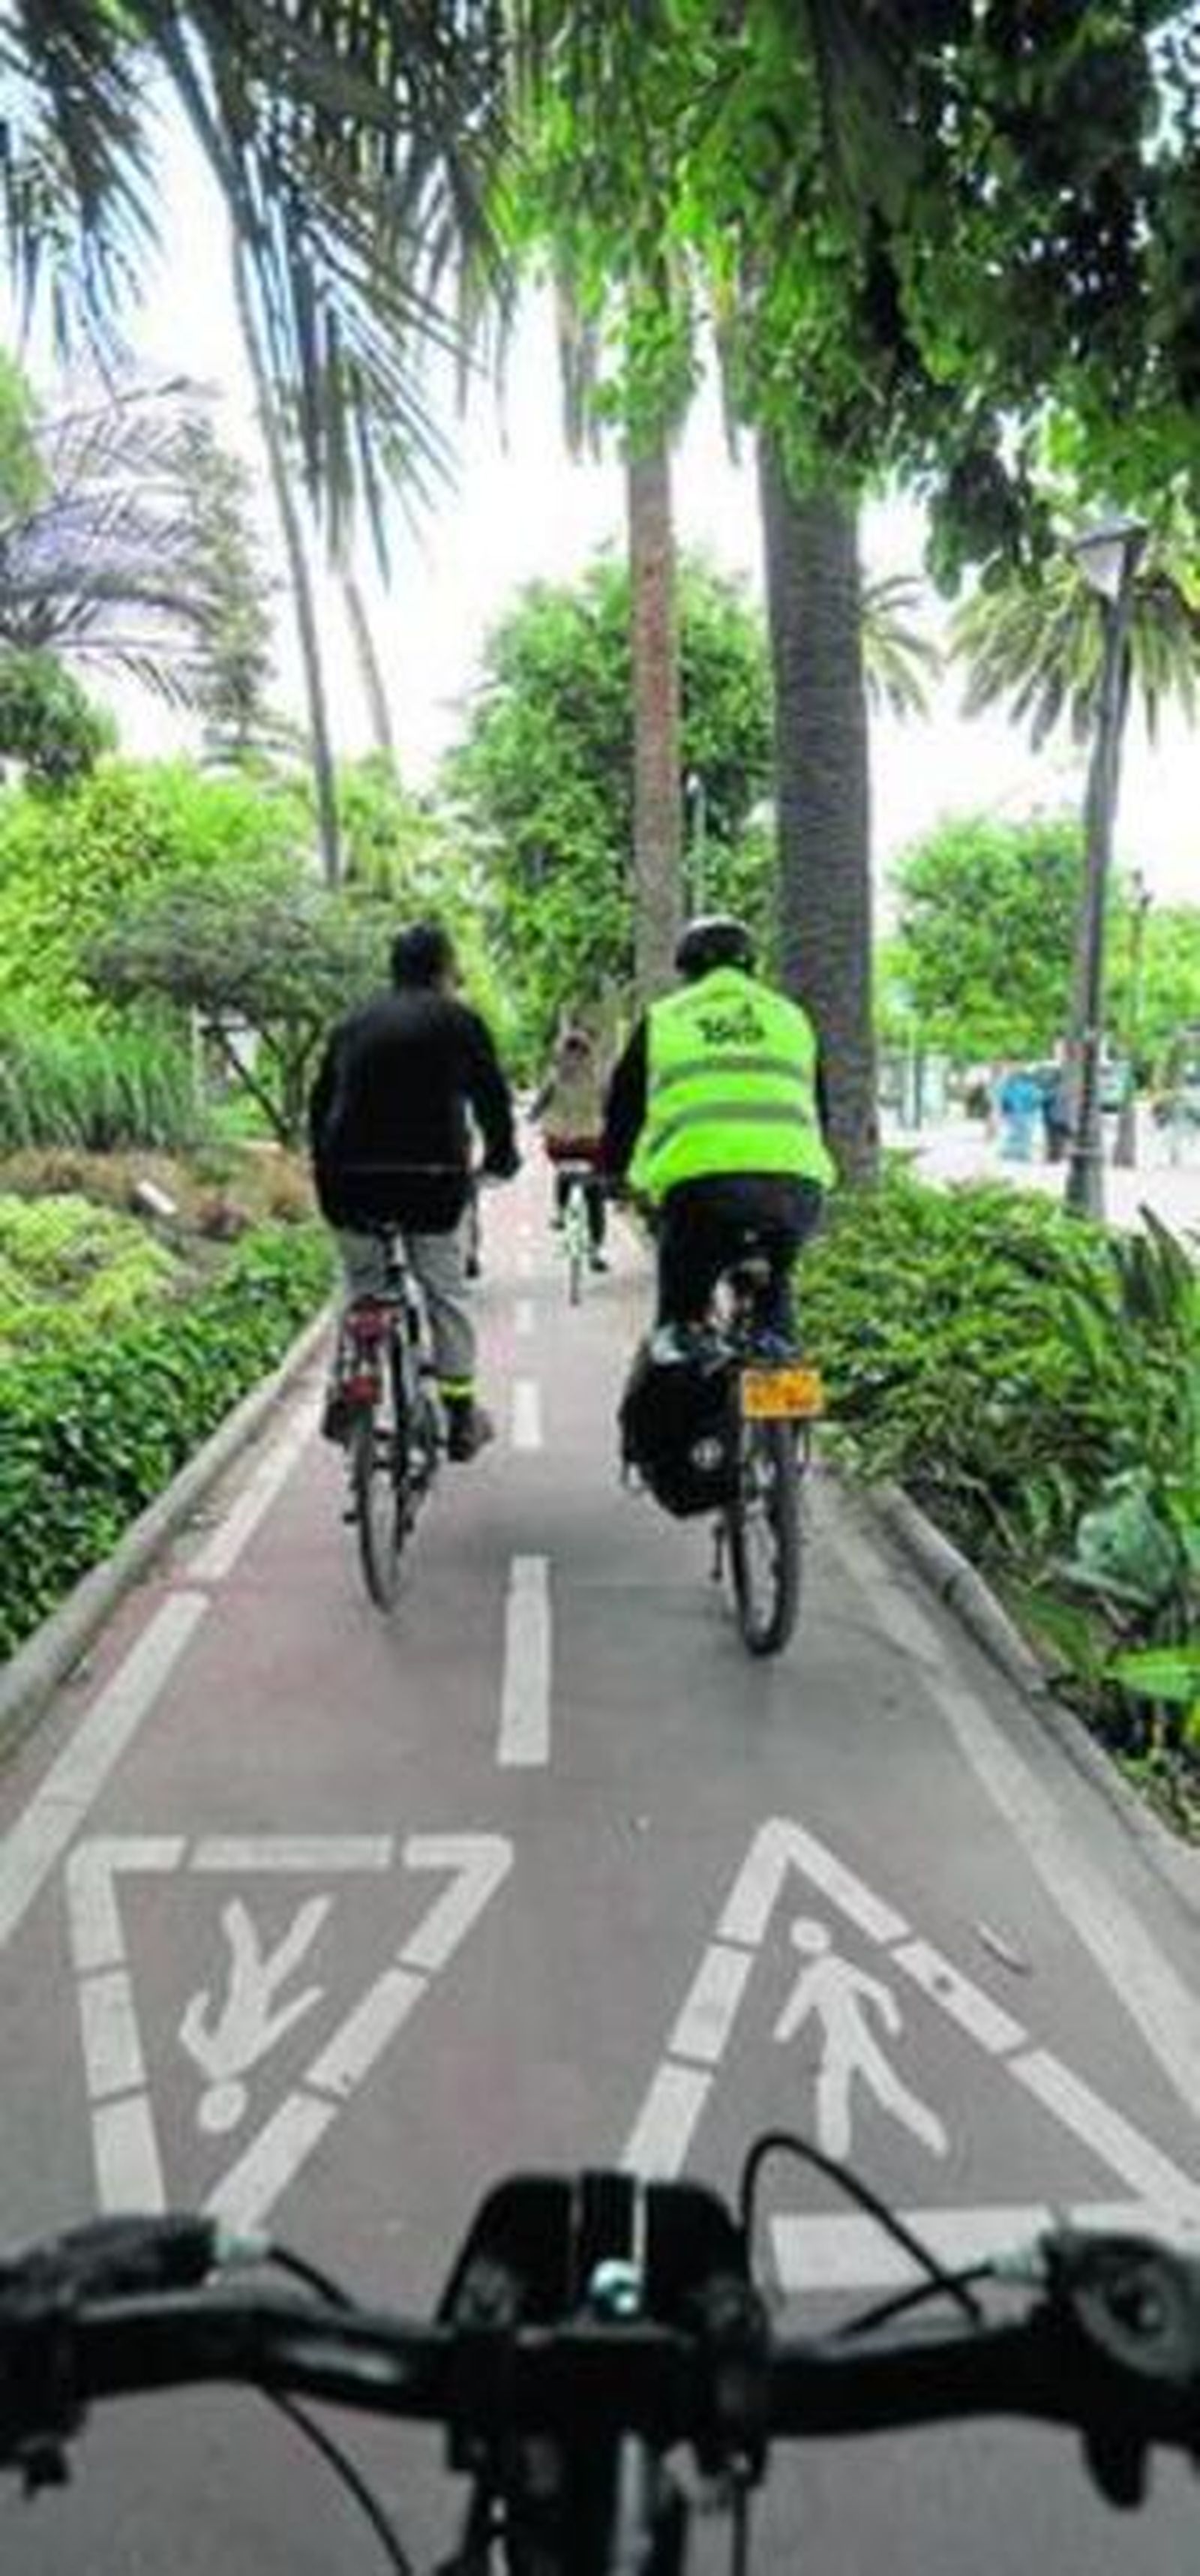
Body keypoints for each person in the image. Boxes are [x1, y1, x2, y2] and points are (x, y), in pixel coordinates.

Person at [308, 920, 518, 1459]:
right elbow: (492, 1098)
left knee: (361, 1287)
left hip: (349, 1183)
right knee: (445, 1293)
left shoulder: (353, 1023)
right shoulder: (459, 1021)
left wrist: (325, 1170)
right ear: (444, 969)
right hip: (432, 1181)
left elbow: (319, 1105)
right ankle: (460, 1413)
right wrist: (501, 1158)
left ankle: (349, 1381)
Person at [600, 914, 834, 1348]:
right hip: (795, 1193)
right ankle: (787, 1385)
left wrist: (613, 1173)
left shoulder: (665, 1018)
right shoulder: (792, 1019)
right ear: (751, 969)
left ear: (687, 970)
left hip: (699, 1196)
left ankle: (677, 1404)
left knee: (682, 1313)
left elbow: (624, 1107)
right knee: (773, 1290)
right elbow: (819, 1110)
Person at [530, 1020, 610, 1271]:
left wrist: (532, 1118)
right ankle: (595, 1251)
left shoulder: (554, 1077)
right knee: (595, 1195)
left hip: (559, 1143)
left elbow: (539, 1106)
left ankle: (562, 1214)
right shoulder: (599, 1079)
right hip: (592, 1143)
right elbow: (611, 1107)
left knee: (564, 1173)